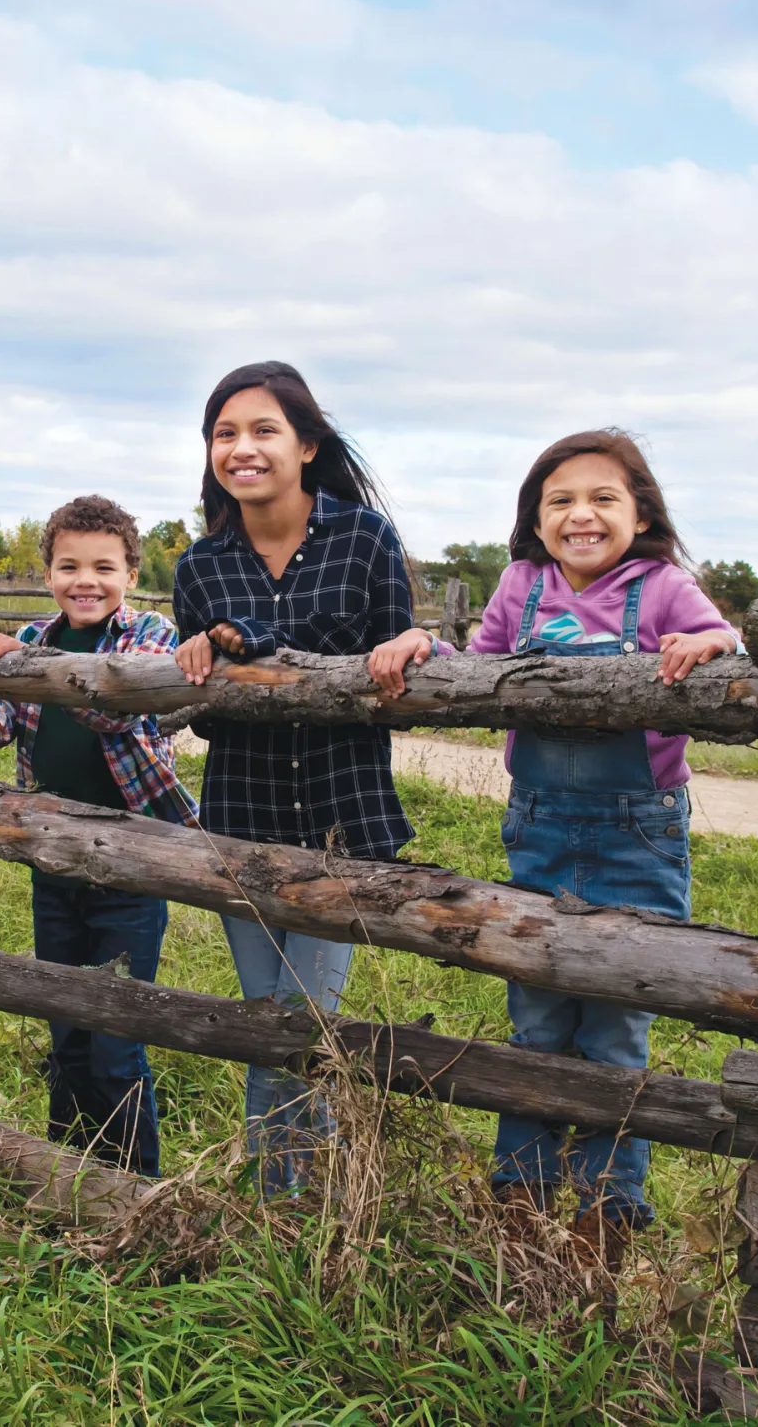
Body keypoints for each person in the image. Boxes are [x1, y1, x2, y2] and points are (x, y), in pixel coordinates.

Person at [469, 429, 735, 1266]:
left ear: (641, 513)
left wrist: (708, 646)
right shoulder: (522, 585)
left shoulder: (662, 588)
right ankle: (521, 1204)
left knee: (617, 1027)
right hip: (541, 823)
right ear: (536, 519)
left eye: (603, 499)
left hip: (636, 835)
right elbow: (476, 670)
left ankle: (604, 1219)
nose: (581, 514)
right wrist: (421, 651)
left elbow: (727, 639)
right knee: (537, 1018)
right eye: (561, 501)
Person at [171, 361, 434, 1194]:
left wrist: (413, 643)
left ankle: (298, 1205)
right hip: (243, 816)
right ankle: (281, 1208)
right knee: (267, 1024)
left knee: (303, 1024)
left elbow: (403, 670)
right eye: (224, 433)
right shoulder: (200, 567)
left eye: (263, 431)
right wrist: (208, 660)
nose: (241, 449)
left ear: (307, 445)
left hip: (339, 816)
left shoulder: (363, 539)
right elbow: (204, 715)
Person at [0, 495, 195, 1176]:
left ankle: (134, 1187)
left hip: (132, 865)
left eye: (104, 566)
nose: (86, 581)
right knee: (65, 1027)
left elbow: (118, 712)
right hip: (53, 861)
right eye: (69, 565)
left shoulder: (151, 636)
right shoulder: (34, 633)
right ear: (48, 573)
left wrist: (35, 663)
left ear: (130, 573)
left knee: (116, 1037)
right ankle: (67, 1177)